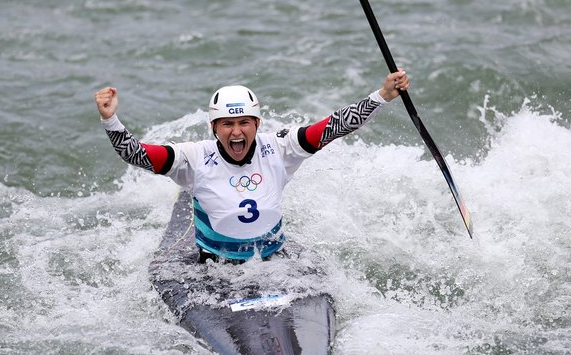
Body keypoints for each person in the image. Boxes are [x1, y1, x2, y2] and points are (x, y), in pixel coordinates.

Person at [95, 69, 409, 263]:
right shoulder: (192, 158)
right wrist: (110, 119)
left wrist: (382, 96)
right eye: (227, 124)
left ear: (257, 123)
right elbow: (137, 155)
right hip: (214, 269)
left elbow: (334, 126)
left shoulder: (280, 148)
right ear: (213, 127)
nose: (236, 131)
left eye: (244, 122)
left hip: (274, 262)